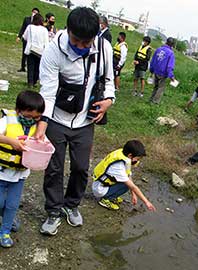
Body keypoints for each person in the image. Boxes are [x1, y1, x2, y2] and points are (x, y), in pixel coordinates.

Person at [35, 7, 115, 236]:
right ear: (67, 30)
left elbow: (108, 80)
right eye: (76, 41)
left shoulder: (104, 48)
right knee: (54, 168)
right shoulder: (53, 51)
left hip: (85, 121)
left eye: (85, 43)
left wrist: (109, 100)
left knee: (81, 168)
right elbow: (48, 93)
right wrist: (42, 126)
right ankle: (53, 210)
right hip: (57, 119)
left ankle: (71, 205)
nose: (80, 47)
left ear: (95, 37)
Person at [0, 90, 45, 248]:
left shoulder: (37, 127)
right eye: (28, 116)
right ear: (18, 110)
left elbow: (43, 143)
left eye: (36, 117)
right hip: (2, 172)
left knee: (12, 204)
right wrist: (10, 141)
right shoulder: (7, 120)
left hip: (19, 175)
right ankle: (8, 218)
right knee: (0, 203)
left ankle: (4, 231)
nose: (32, 120)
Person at [92, 140, 156, 211]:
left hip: (102, 182)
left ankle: (111, 195)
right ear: (130, 155)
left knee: (127, 183)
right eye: (137, 159)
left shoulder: (123, 155)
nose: (137, 161)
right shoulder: (118, 167)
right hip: (99, 189)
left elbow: (128, 174)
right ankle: (105, 200)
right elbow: (133, 187)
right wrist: (146, 202)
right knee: (126, 185)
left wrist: (133, 194)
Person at [22, 14, 49, 88]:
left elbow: (25, 37)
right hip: (40, 51)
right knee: (38, 67)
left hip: (31, 49)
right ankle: (34, 81)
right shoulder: (44, 30)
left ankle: (30, 82)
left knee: (30, 66)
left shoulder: (30, 27)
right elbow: (46, 42)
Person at [149, 37, 176, 104]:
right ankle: (155, 102)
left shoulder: (158, 49)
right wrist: (171, 76)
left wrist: (151, 70)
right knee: (160, 88)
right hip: (163, 73)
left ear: (166, 42)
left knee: (155, 86)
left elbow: (153, 60)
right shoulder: (170, 53)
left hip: (156, 71)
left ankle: (151, 99)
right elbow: (169, 66)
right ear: (172, 45)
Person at [16, 7, 40, 72]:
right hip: (26, 39)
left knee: (30, 54)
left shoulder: (38, 21)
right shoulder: (27, 19)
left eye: (36, 13)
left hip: (33, 40)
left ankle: (30, 68)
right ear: (31, 12)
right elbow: (23, 28)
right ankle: (22, 67)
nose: (34, 14)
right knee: (24, 53)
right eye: (33, 12)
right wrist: (19, 36)